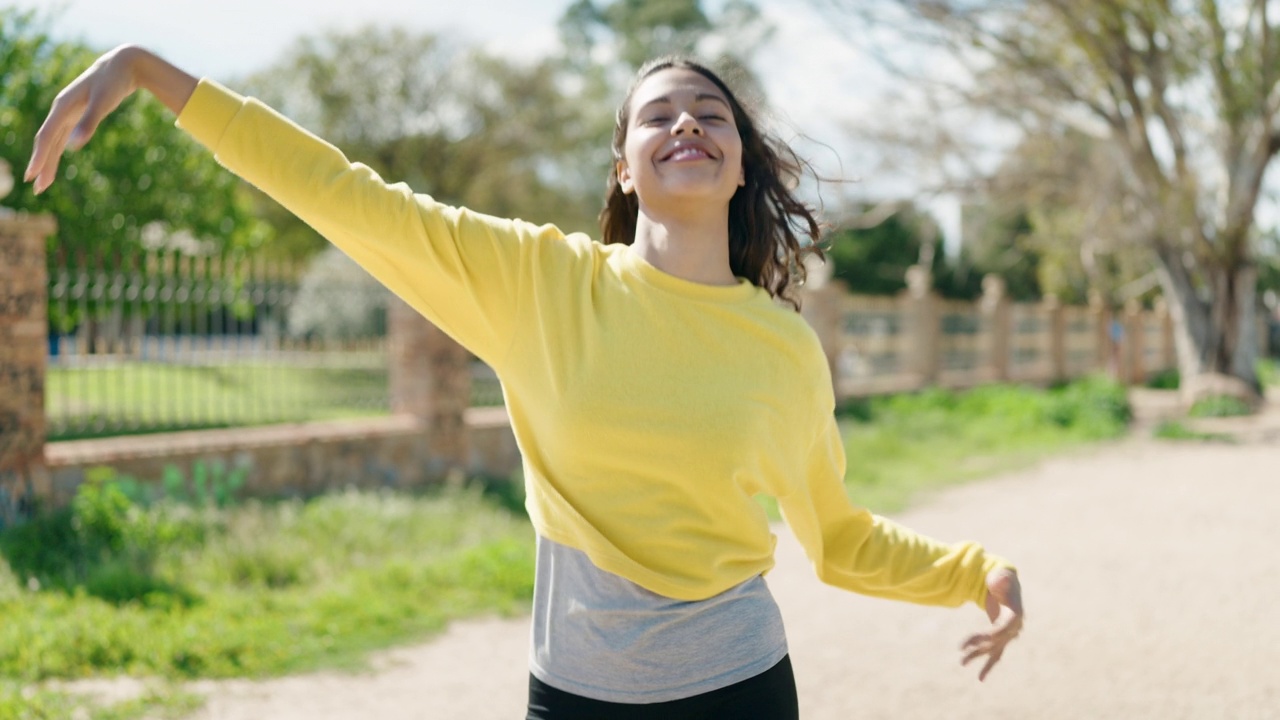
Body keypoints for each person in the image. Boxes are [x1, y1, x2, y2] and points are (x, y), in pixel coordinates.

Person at [28, 45, 1024, 719]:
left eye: (708, 114)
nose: (685, 124)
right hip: (572, 693)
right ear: (624, 166)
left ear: (739, 163)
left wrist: (968, 572)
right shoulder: (537, 283)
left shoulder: (782, 349)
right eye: (657, 116)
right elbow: (347, 199)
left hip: (736, 686)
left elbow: (835, 537)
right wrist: (158, 77)